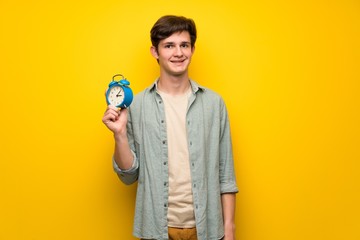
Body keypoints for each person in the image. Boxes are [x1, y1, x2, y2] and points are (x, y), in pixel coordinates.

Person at [102, 15, 238, 240]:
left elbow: (226, 174)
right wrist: (120, 135)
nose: (178, 53)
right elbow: (128, 176)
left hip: (208, 229)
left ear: (192, 49)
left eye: (184, 45)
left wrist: (229, 229)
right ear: (155, 52)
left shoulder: (214, 104)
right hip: (156, 228)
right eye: (169, 46)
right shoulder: (137, 105)